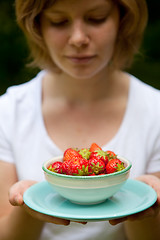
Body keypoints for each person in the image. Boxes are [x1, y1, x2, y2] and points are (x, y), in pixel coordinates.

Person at [0, 0, 160, 239]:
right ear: (38, 26)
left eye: (96, 18)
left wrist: (144, 204)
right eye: (59, 21)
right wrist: (27, 205)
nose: (78, 38)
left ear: (123, 20)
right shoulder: (9, 112)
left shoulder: (154, 111)